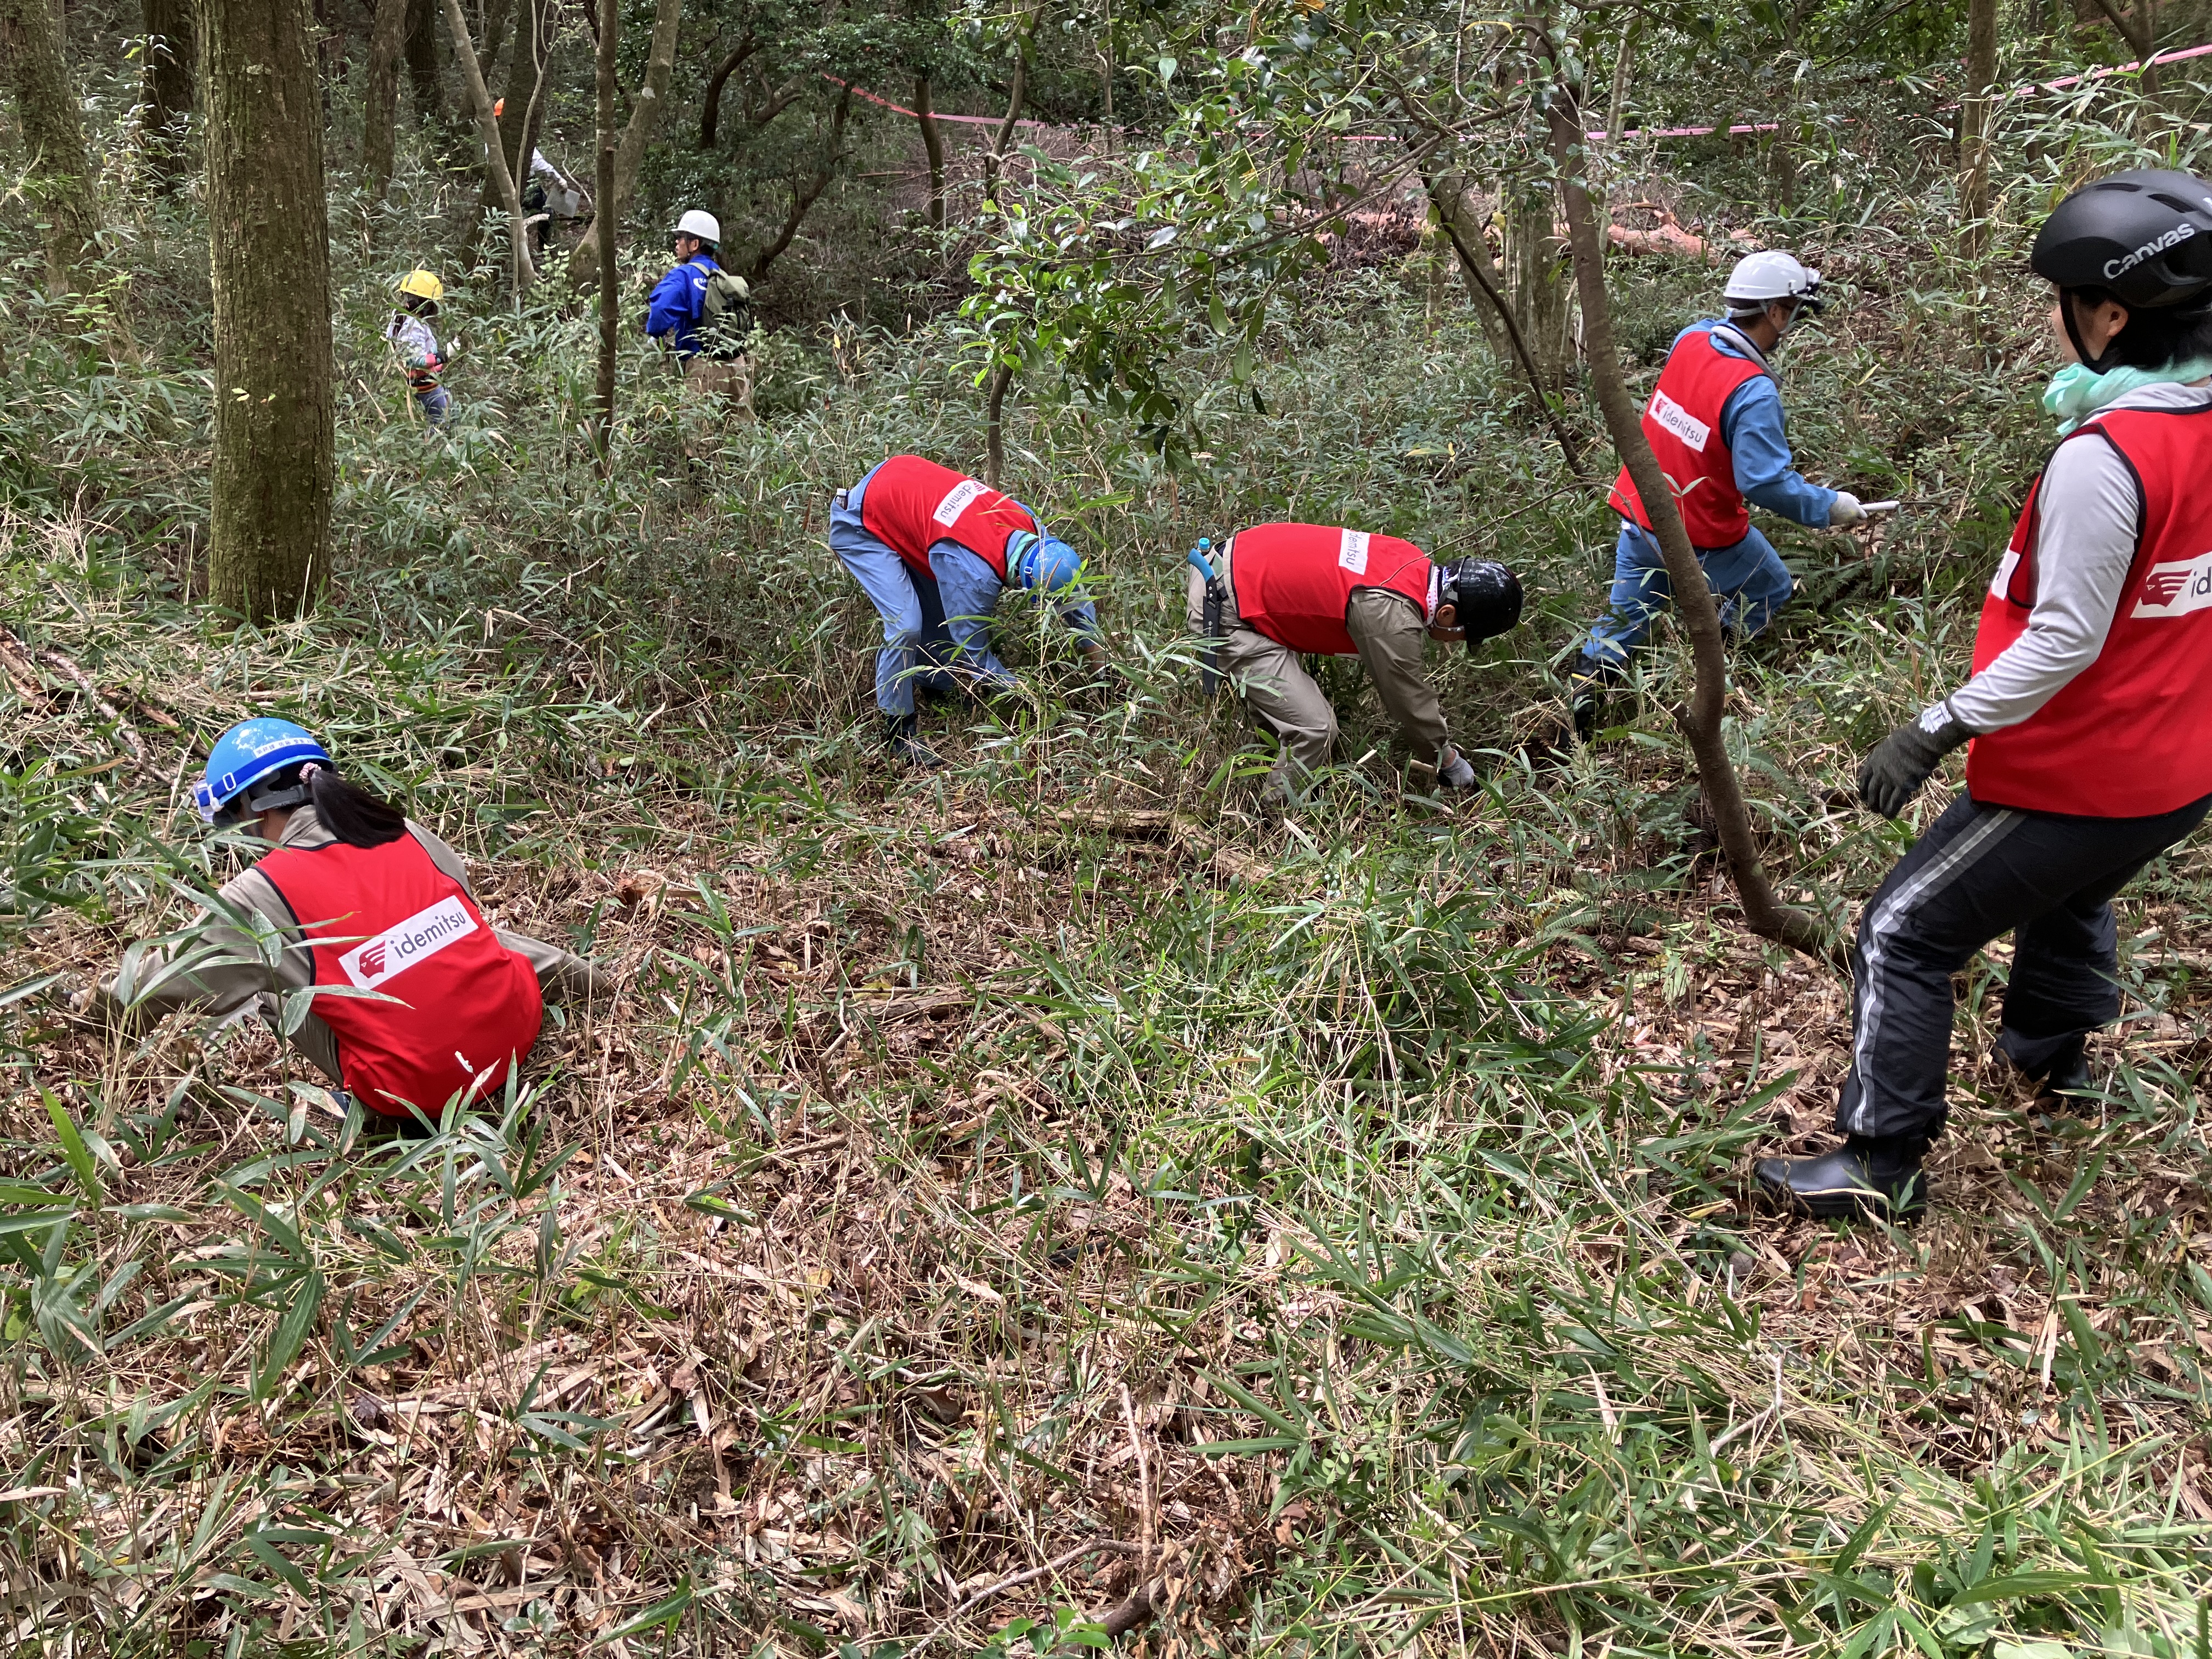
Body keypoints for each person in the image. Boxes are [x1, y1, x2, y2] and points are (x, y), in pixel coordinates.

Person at [1755, 170, 2212, 1221]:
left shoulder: (2109, 457)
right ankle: (2053, 1056)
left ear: (2108, 312)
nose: (2048, 320)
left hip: (2082, 766)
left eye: (2057, 300)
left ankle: (1881, 1158)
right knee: (2070, 890)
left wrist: (1933, 725)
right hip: (2179, 766)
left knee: (1903, 929)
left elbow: (2064, 634)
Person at [78, 719, 610, 1135]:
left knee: (276, 992)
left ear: (247, 810)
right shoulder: (406, 832)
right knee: (452, 932)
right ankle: (583, 979)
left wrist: (78, 1011)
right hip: (513, 1042)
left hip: (418, 1096)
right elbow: (471, 934)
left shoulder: (262, 893)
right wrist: (591, 980)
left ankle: (370, 1120)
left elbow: (159, 986)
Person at [1571, 250, 1865, 737]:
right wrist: (1829, 507)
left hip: (1641, 513)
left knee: (1623, 623)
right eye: (1791, 311)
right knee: (1768, 588)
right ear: (1774, 312)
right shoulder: (1754, 392)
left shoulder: (1692, 338)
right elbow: (1764, 482)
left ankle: (1572, 723)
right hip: (1702, 530)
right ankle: (1713, 671)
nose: (1791, 323)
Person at [1186, 522, 1522, 800]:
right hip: (1224, 610)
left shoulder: (1410, 559)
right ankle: (1270, 820)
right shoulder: (1392, 616)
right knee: (1315, 728)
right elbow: (1408, 701)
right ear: (1448, 615)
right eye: (1465, 635)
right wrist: (1446, 760)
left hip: (1224, 562)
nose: (1459, 643)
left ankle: (1264, 758)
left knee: (1288, 710)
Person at [829, 454, 1109, 765]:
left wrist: (1104, 674)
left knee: (937, 608)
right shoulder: (972, 576)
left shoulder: (1030, 525)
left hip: (902, 484)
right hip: (862, 521)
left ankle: (932, 681)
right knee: (907, 625)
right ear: (1022, 581)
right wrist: (1029, 696)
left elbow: (1074, 601)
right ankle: (899, 734)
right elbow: (972, 654)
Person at [644, 209, 754, 422]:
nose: (677, 243)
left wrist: (654, 335)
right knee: (740, 439)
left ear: (694, 244)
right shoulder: (723, 278)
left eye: (680, 238)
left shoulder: (684, 275)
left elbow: (660, 309)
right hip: (737, 365)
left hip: (703, 370)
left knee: (698, 445)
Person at [386, 269, 451, 431]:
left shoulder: (400, 316)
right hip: (426, 389)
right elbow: (413, 360)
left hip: (424, 385)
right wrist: (440, 357)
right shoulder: (413, 325)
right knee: (442, 428)